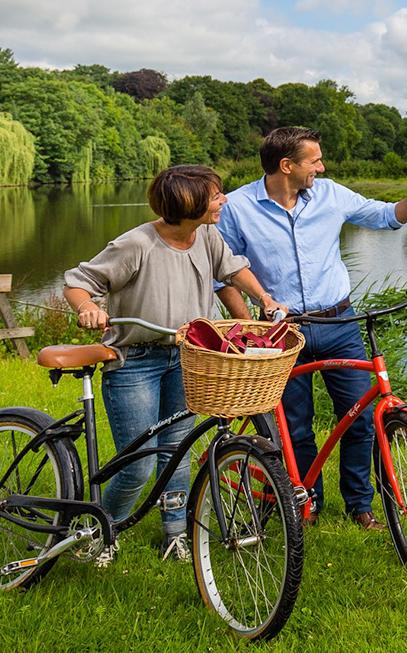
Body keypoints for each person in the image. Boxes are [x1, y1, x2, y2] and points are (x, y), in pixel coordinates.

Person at [218, 127, 407, 529]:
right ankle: (308, 503)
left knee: (359, 419)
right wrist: (250, 323)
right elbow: (222, 273)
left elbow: (389, 217)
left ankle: (360, 506)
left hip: (340, 324)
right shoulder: (237, 207)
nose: (321, 168)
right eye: (315, 160)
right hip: (283, 335)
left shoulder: (331, 195)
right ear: (286, 166)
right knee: (295, 428)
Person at [61, 164, 288, 561]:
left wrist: (265, 300)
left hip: (188, 359)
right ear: (190, 204)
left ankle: (175, 535)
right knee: (138, 464)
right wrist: (87, 308)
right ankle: (101, 534)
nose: (224, 200)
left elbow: (234, 270)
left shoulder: (207, 236)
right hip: (136, 362)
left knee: (177, 452)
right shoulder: (137, 244)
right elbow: (78, 282)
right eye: (215, 196)